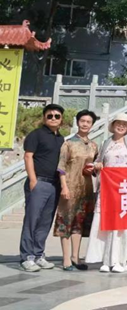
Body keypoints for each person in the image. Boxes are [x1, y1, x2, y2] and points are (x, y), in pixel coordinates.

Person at [86, 112, 127, 273]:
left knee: (122, 224)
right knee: (105, 222)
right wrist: (97, 166)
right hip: (107, 189)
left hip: (125, 190)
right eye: (118, 123)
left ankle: (120, 260)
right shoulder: (105, 143)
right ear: (113, 125)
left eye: (124, 124)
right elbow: (98, 162)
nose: (121, 126)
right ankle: (106, 259)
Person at [19, 104, 65, 272]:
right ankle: (27, 257)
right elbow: (28, 156)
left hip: (54, 184)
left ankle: (39, 255)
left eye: (57, 116)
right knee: (32, 220)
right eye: (49, 116)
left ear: (61, 119)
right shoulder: (36, 134)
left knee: (45, 221)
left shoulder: (61, 139)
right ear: (44, 118)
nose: (53, 118)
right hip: (39, 182)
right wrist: (33, 180)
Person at [54, 110, 99, 271]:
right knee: (66, 221)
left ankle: (75, 256)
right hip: (70, 187)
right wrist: (64, 186)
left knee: (79, 223)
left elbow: (95, 167)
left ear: (92, 125)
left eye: (88, 122)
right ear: (78, 122)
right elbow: (61, 167)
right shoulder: (68, 143)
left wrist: (94, 169)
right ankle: (66, 259)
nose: (85, 124)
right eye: (82, 121)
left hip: (86, 189)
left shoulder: (93, 145)